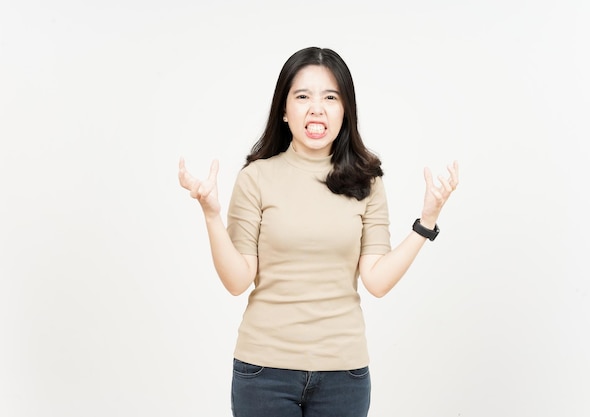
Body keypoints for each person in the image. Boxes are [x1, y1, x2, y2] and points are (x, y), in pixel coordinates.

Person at [178, 46, 459, 417]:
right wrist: (211, 215)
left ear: (345, 110)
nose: (317, 108)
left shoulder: (367, 181)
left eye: (330, 97)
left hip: (343, 374)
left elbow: (376, 280)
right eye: (302, 96)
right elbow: (237, 280)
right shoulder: (256, 178)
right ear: (284, 109)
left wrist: (426, 222)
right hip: (264, 371)